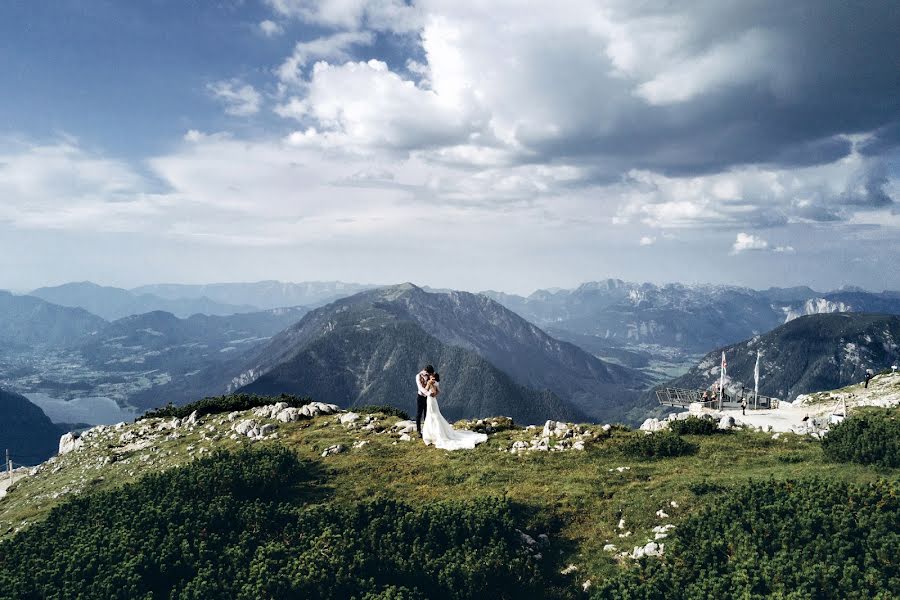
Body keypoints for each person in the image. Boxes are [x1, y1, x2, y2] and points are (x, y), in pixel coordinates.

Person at [421, 373, 488, 451]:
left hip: (432, 401)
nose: (431, 378)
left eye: (433, 377)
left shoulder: (435, 384)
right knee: (430, 416)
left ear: (435, 378)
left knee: (435, 416)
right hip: (429, 401)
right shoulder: (430, 383)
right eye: (431, 377)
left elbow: (435, 393)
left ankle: (436, 435)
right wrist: (428, 385)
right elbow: (425, 392)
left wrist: (432, 387)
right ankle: (431, 435)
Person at [415, 364, 435, 437]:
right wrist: (429, 393)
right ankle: (418, 431)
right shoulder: (418, 376)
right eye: (429, 373)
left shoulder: (430, 375)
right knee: (419, 414)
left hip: (428, 398)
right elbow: (420, 388)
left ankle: (427, 430)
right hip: (420, 397)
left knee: (427, 414)